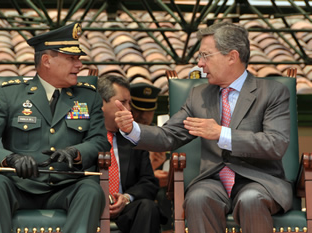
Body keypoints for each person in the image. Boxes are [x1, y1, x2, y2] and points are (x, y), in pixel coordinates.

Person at [114, 22, 292, 233]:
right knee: (197, 198)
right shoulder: (198, 96)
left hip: (259, 180)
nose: (200, 64)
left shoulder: (272, 92)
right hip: (213, 181)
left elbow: (275, 144)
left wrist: (221, 134)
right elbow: (168, 135)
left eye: (205, 55)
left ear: (232, 56)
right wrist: (132, 129)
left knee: (251, 198)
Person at [0, 22, 110, 233]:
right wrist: (9, 158)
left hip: (67, 186)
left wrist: (76, 152)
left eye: (79, 59)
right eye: (72, 59)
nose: (79, 65)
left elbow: (99, 141)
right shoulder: (11, 95)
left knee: (91, 191)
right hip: (19, 186)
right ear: (46, 60)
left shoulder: (88, 97)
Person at [97, 75, 165, 233]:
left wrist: (126, 198)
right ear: (102, 103)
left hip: (125, 208)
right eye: (123, 102)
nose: (128, 109)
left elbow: (149, 182)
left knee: (148, 207)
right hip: (93, 204)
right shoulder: (85, 136)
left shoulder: (133, 138)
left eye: (129, 102)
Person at [130, 82, 172, 232]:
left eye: (148, 111)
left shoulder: (159, 134)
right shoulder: (125, 135)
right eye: (137, 110)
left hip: (158, 190)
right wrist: (152, 173)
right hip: (134, 192)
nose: (143, 116)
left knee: (166, 195)